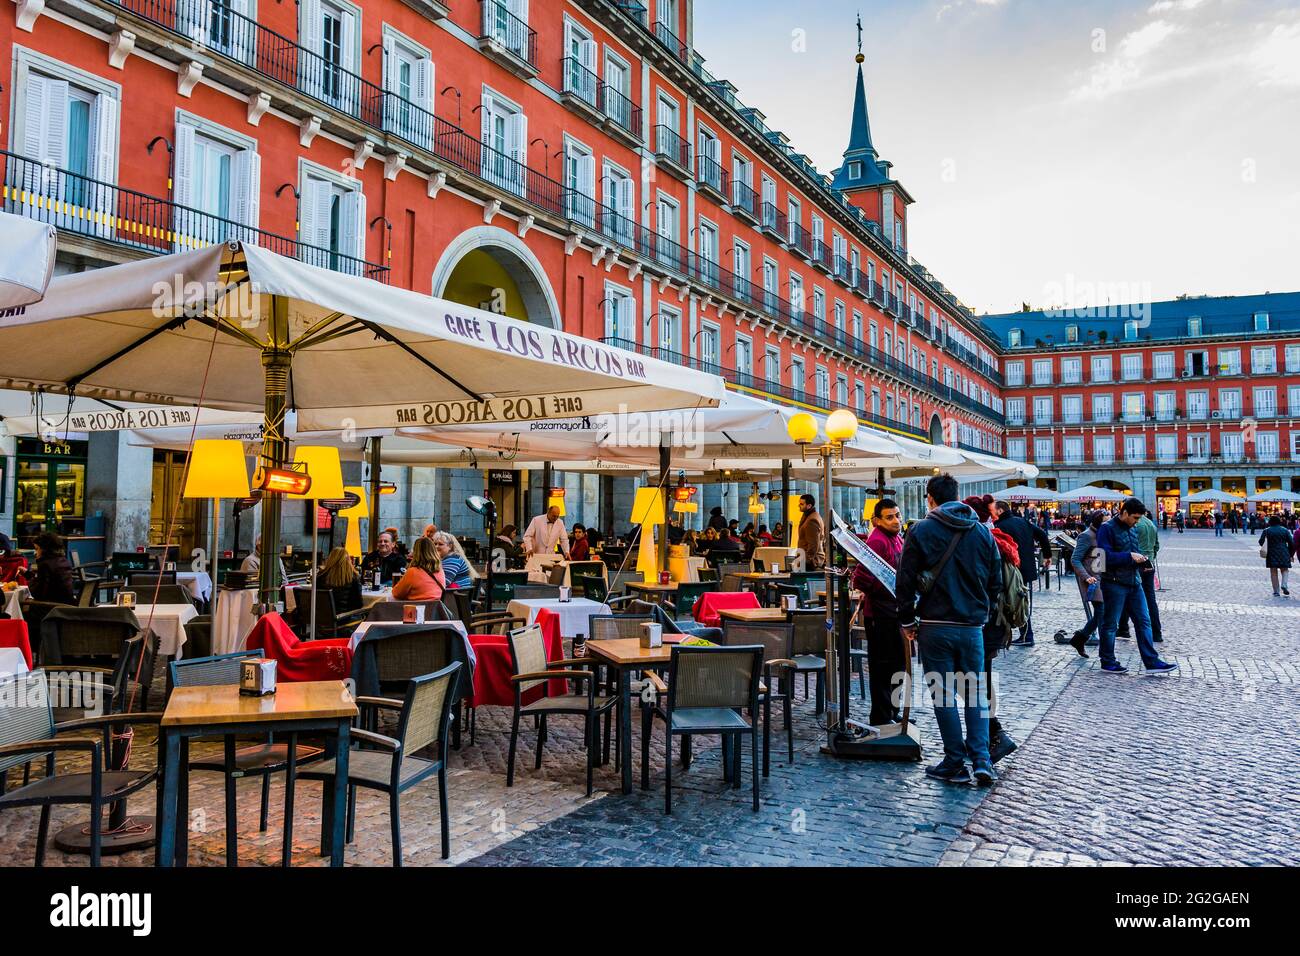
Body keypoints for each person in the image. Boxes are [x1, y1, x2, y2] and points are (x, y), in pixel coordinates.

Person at [896, 474, 1002, 786]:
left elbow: (904, 579)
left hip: (934, 624)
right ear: (957, 496)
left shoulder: (921, 529)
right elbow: (996, 579)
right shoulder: (982, 531)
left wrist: (906, 620)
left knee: (943, 695)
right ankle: (981, 760)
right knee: (976, 694)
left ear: (930, 498)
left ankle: (955, 761)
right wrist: (982, 609)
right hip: (971, 626)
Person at [1095, 498, 1178, 675]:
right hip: (1114, 583)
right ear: (1124, 513)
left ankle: (1152, 661)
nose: (1137, 521)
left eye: (1139, 518)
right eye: (1134, 517)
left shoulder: (1133, 528)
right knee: (1110, 624)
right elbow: (1103, 558)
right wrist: (1129, 556)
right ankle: (1108, 661)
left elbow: (1135, 550)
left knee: (1144, 621)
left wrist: (1142, 561)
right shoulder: (1106, 528)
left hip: (1135, 582)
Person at [852, 499, 906, 726]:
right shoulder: (877, 541)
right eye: (890, 517)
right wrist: (884, 589)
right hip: (880, 614)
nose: (896, 521)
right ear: (877, 520)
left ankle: (892, 711)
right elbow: (861, 577)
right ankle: (882, 716)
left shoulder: (897, 538)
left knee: (898, 664)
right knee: (883, 666)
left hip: (895, 612)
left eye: (897, 515)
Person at [992, 499, 1052, 645]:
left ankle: (1024, 636)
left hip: (1010, 570)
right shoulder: (1022, 521)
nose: (992, 514)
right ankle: (1025, 635)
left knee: (1008, 601)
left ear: (1000, 511)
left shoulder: (999, 526)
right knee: (1020, 600)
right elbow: (1043, 535)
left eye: (993, 511)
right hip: (1026, 568)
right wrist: (1048, 555)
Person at [1119, 508, 1163, 643]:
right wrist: (1150, 557)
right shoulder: (1151, 524)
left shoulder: (1136, 525)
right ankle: (1156, 632)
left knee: (1128, 595)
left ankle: (1124, 628)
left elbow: (1128, 545)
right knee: (1150, 599)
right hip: (1149, 563)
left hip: (1137, 564)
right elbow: (1157, 546)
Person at [1067, 511, 1107, 655]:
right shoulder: (1086, 536)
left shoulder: (1104, 535)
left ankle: (1080, 638)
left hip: (1103, 577)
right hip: (1092, 579)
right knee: (1102, 613)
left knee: (1100, 614)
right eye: (1106, 522)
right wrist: (1086, 577)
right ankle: (1106, 651)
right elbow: (1075, 559)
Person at [391, 537, 447, 601]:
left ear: (415, 552)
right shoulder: (440, 570)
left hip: (418, 609)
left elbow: (396, 593)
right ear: (433, 550)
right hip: (435, 609)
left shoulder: (413, 572)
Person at [28, 532, 77, 605]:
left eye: (37, 549)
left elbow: (38, 594)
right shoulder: (63, 561)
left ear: (45, 549)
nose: (35, 553)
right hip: (68, 606)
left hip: (52, 609)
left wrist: (30, 580)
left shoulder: (45, 564)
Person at [317, 547, 363, 615]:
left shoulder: (320, 576)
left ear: (330, 559)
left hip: (322, 618)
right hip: (343, 619)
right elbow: (358, 605)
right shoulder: (353, 577)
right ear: (348, 560)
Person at [1259, 515, 1294, 597]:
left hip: (1271, 553)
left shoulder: (1266, 531)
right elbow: (1291, 543)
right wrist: (1291, 554)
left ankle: (1276, 591)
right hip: (1284, 552)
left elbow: (1261, 542)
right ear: (1279, 521)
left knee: (1273, 572)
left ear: (1270, 522)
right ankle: (1284, 585)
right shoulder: (1285, 530)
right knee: (1285, 569)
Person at [796, 493, 826, 570]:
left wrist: (807, 560)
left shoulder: (812, 520)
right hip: (808, 559)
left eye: (801, 504)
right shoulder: (810, 516)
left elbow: (813, 544)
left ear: (809, 506)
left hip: (811, 562)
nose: (799, 505)